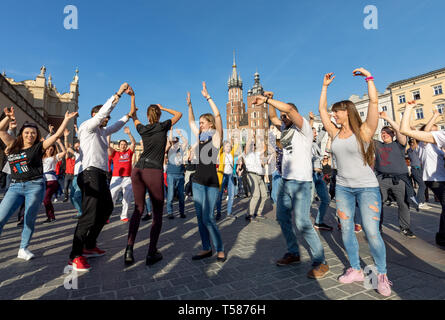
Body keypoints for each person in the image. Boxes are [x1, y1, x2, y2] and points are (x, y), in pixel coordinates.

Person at [319, 68, 392, 296]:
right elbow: (321, 109)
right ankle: (356, 269)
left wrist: (369, 78)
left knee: (371, 232)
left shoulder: (364, 131)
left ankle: (381, 275)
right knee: (347, 230)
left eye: (336, 112)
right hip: (343, 187)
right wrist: (325, 87)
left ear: (346, 112)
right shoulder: (333, 132)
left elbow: (373, 101)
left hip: (367, 187)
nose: (333, 116)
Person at [253, 91, 329, 279]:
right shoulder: (285, 129)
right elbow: (272, 116)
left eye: (286, 115)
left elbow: (286, 109)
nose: (283, 117)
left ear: (294, 113)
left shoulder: (303, 127)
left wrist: (268, 99)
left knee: (302, 222)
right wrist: (268, 100)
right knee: (282, 217)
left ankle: (321, 261)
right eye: (282, 117)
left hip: (302, 182)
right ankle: (293, 252)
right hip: (286, 181)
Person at [68, 83, 133, 272]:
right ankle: (75, 255)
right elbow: (105, 111)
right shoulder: (87, 127)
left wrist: (129, 114)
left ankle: (89, 245)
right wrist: (119, 93)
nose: (107, 120)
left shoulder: (103, 132)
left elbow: (117, 124)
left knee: (107, 208)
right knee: (89, 215)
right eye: (104, 117)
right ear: (96, 116)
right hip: (89, 174)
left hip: (101, 175)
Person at [0, 107, 77, 261]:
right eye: (27, 132)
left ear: (37, 136)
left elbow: (55, 136)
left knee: (29, 218)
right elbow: (1, 131)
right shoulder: (13, 144)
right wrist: (8, 118)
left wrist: (66, 121)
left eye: (33, 133)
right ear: (22, 133)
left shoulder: (38, 148)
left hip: (34, 186)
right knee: (1, 217)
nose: (30, 135)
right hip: (15, 186)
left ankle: (23, 248)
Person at [124, 87, 182, 266]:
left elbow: (133, 116)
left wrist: (133, 97)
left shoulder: (143, 129)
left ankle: (129, 250)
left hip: (138, 169)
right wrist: (163, 108)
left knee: (138, 209)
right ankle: (151, 252)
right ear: (158, 115)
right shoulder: (163, 126)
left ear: (148, 117)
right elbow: (179, 113)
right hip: (153, 171)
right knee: (157, 213)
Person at [188, 83, 226, 262]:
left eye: (202, 122)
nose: (200, 125)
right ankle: (206, 247)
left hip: (211, 183)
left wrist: (208, 97)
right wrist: (190, 106)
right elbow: (190, 122)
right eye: (200, 123)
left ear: (209, 123)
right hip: (197, 181)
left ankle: (219, 248)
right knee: (199, 217)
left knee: (209, 217)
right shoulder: (199, 138)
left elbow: (218, 115)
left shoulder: (217, 137)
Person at [400, 102, 445, 247]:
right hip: (434, 179)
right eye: (433, 130)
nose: (435, 131)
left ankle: (441, 236)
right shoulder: (426, 144)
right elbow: (423, 131)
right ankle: (420, 202)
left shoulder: (437, 147)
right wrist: (434, 116)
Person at [375, 112, 416, 238]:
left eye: (387, 132)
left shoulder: (399, 144)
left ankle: (405, 228)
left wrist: (387, 118)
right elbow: (366, 133)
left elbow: (400, 131)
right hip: (382, 178)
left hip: (400, 179)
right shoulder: (377, 145)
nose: (384, 134)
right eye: (382, 133)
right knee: (378, 203)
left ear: (393, 135)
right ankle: (377, 228)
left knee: (403, 203)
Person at [309, 113, 333, 231]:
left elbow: (323, 131)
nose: (315, 134)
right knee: (309, 200)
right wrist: (311, 120)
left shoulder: (316, 143)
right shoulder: (306, 143)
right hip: (311, 175)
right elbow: (307, 132)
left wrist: (327, 118)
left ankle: (319, 222)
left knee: (326, 199)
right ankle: (303, 223)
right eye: (313, 132)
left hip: (319, 175)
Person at [108, 127, 136, 222]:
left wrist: (129, 133)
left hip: (127, 178)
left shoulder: (129, 152)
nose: (123, 146)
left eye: (124, 144)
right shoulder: (115, 153)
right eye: (121, 144)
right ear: (119, 146)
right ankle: (106, 216)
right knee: (112, 198)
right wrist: (110, 133)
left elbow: (133, 143)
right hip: (116, 178)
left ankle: (124, 216)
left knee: (127, 198)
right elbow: (107, 146)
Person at [243, 133, 268, 221]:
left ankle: (258, 213)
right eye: (252, 145)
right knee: (256, 195)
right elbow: (247, 147)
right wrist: (251, 137)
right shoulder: (246, 154)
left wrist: (261, 140)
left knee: (264, 195)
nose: (253, 146)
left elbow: (264, 148)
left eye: (254, 145)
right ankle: (249, 214)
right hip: (251, 174)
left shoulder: (256, 154)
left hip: (259, 176)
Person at [42, 137, 67, 223]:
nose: (49, 150)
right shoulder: (42, 158)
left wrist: (59, 142)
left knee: (46, 199)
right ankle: (49, 216)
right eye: (48, 149)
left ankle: (51, 217)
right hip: (42, 180)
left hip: (51, 180)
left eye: (51, 149)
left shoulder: (54, 158)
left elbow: (64, 152)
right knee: (43, 199)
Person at [165, 129, 187, 219]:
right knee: (170, 195)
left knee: (181, 195)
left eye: (176, 141)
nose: (175, 143)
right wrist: (170, 130)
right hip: (171, 174)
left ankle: (181, 212)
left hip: (180, 175)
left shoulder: (181, 149)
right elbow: (168, 142)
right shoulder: (169, 149)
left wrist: (180, 134)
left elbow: (185, 141)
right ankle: (170, 212)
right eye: (173, 142)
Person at [215, 140, 238, 220]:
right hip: (223, 175)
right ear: (224, 147)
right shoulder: (221, 154)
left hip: (230, 175)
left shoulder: (231, 153)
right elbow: (220, 147)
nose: (229, 148)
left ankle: (229, 213)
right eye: (227, 146)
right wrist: (222, 145)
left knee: (231, 195)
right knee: (220, 195)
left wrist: (235, 138)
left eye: (229, 146)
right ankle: (218, 213)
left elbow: (236, 145)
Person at [64, 136, 82, 218]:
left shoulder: (87, 154)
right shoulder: (77, 154)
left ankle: (83, 212)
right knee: (72, 197)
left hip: (81, 177)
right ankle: (80, 211)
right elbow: (67, 148)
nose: (77, 146)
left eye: (79, 145)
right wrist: (66, 137)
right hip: (75, 177)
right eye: (76, 145)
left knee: (77, 196)